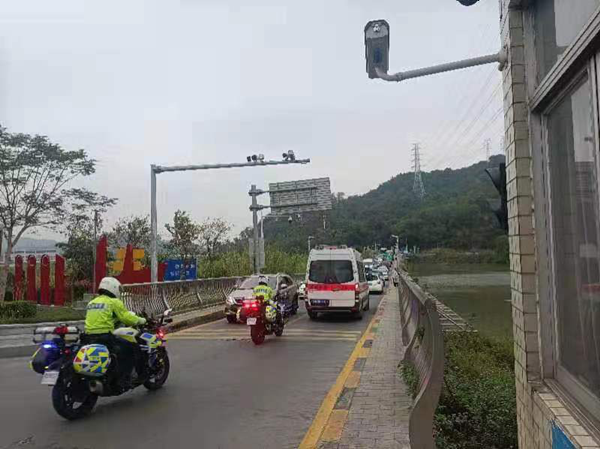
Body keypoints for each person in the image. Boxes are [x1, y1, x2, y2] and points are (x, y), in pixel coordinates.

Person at [83, 277, 147, 390]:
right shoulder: (113, 302)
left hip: (88, 337)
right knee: (131, 348)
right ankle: (125, 379)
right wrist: (142, 320)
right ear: (113, 288)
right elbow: (127, 318)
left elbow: (101, 318)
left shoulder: (92, 302)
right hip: (105, 337)